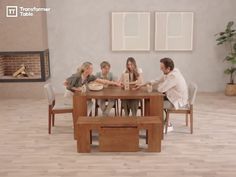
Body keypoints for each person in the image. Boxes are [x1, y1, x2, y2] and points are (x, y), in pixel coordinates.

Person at [134, 57, 188, 132]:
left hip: (177, 99)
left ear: (168, 68)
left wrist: (154, 86)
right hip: (171, 95)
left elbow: (161, 89)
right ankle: (151, 122)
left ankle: (167, 124)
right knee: (150, 101)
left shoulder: (173, 76)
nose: (160, 69)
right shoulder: (170, 71)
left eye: (162, 68)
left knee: (156, 103)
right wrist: (142, 84)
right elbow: (157, 80)